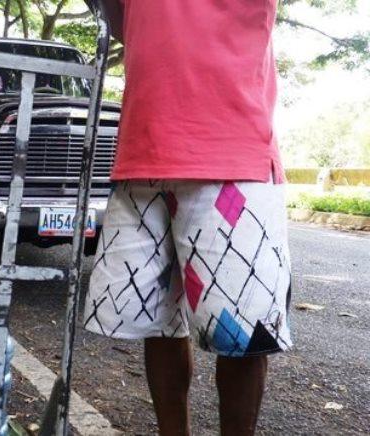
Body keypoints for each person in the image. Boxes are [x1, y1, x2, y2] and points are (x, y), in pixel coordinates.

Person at [85, 1, 293, 435]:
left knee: (243, 338)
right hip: (143, 155)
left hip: (231, 156)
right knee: (159, 322)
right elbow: (130, 25)